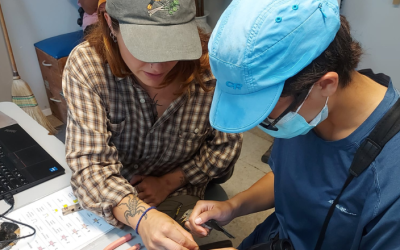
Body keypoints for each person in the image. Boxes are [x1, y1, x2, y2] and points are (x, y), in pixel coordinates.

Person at [186, 0, 400, 249]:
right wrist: (233, 206)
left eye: (267, 115)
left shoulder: (390, 180)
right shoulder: (309, 107)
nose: (264, 124)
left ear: (325, 84)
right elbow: (291, 177)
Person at [62, 0, 243, 249]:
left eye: (172, 45)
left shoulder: (213, 73)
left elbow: (224, 151)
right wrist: (141, 217)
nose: (157, 66)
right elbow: (90, 165)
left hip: (181, 189)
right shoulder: (88, 66)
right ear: (110, 25)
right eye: (143, 47)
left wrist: (170, 181)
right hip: (112, 194)